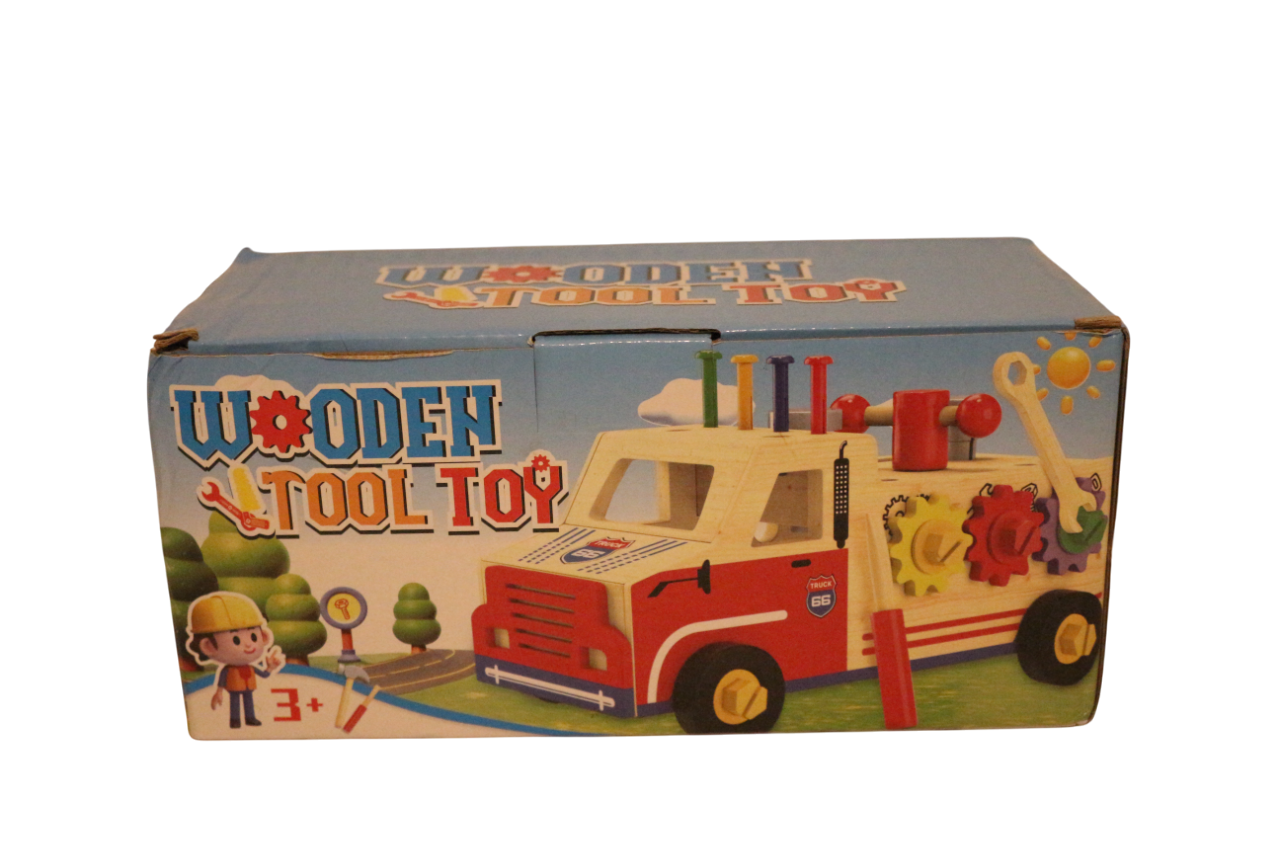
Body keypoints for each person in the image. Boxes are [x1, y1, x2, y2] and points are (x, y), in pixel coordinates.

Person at [186, 592, 284, 728]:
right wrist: (218, 692)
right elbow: (221, 682)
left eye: (253, 637)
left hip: (249, 688)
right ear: (208, 646)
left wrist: (270, 667)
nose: (248, 645)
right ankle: (235, 720)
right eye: (236, 640)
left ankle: (250, 718)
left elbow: (264, 675)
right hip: (234, 689)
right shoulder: (227, 670)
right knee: (235, 702)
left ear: (264, 637)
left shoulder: (251, 667)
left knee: (249, 702)